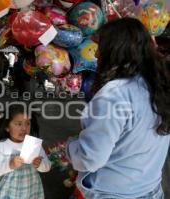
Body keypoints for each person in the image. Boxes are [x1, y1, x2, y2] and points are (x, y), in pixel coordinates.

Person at [66, 17, 170, 198]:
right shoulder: (157, 86)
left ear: (114, 50)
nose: (97, 54)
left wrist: (70, 147)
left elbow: (90, 158)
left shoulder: (114, 94)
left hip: (112, 193)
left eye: (101, 47)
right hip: (150, 189)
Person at [0, 104, 51, 199]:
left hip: (31, 193)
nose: (24, 128)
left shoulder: (34, 144)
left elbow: (47, 166)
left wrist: (40, 164)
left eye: (27, 123)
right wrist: (10, 164)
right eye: (18, 124)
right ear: (7, 127)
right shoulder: (1, 146)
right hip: (8, 194)